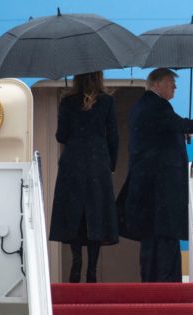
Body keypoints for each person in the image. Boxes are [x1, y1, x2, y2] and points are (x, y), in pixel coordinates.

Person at [117, 68, 193, 282]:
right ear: (157, 84)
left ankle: (153, 283)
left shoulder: (143, 106)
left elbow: (160, 134)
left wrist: (179, 132)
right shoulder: (157, 106)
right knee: (166, 239)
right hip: (160, 189)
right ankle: (168, 285)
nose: (175, 87)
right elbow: (178, 123)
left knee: (152, 241)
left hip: (148, 186)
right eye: (171, 82)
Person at [49, 71, 119, 283]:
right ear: (99, 77)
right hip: (98, 163)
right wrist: (111, 165)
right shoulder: (107, 101)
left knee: (74, 211)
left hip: (73, 163)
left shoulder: (67, 101)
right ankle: (92, 269)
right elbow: (113, 136)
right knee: (96, 212)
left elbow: (61, 136)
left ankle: (76, 261)